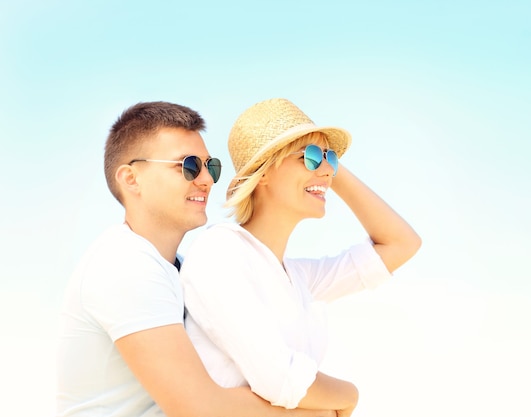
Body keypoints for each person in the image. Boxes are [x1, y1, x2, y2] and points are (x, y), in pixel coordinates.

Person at [56, 101, 336, 417]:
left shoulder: (177, 269)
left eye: (210, 166)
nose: (206, 180)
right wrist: (328, 409)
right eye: (188, 165)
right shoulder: (125, 266)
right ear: (131, 179)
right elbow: (200, 407)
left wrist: (322, 163)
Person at [180, 98, 422, 417]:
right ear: (263, 173)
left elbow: (401, 244)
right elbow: (281, 380)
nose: (325, 169)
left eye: (329, 158)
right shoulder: (221, 252)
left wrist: (325, 167)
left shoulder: (298, 278)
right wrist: (349, 396)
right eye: (308, 157)